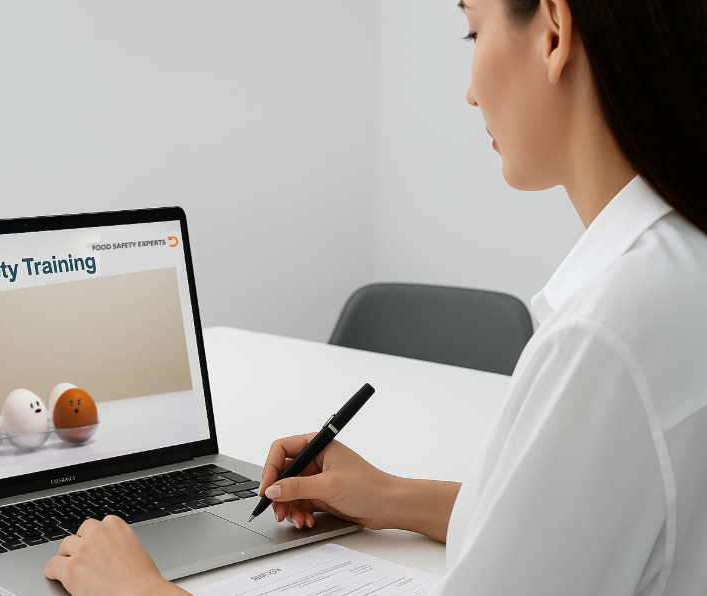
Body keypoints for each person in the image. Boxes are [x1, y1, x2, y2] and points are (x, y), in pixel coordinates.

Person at [43, 0, 707, 593]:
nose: (469, 92)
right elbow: (575, 526)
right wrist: (388, 496)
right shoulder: (677, 275)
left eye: (470, 31)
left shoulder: (602, 342)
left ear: (554, 33)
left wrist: (131, 589)